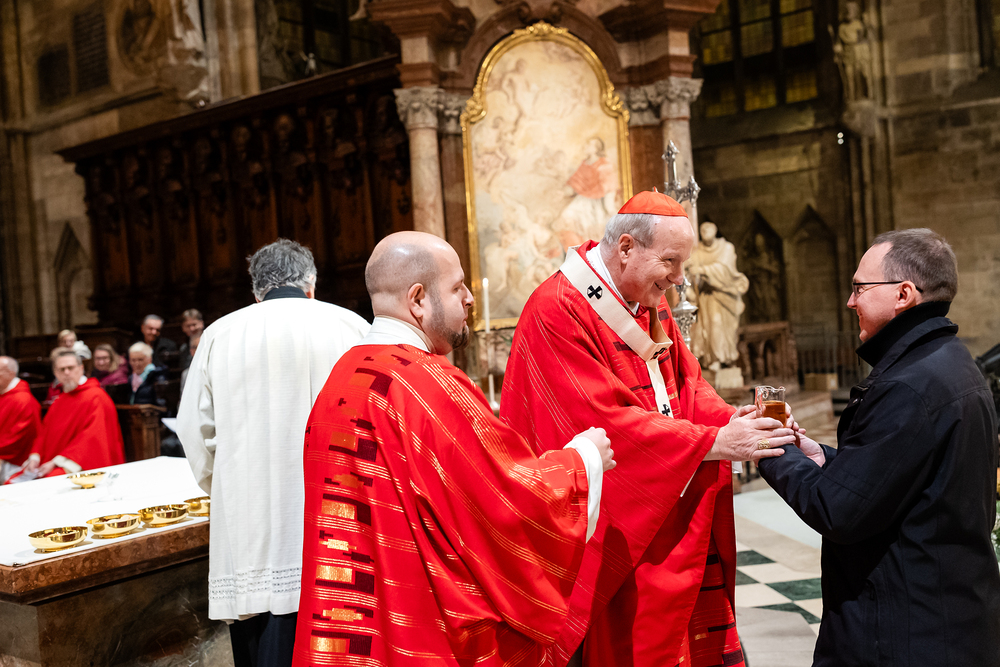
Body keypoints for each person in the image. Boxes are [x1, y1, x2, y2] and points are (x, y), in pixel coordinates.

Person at [501, 190, 797, 667]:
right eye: (670, 262)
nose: (679, 279)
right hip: (615, 516)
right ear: (625, 248)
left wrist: (731, 419)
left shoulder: (647, 301)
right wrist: (715, 441)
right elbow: (602, 422)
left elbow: (687, 385)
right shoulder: (557, 309)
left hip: (665, 493)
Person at [291, 231, 615, 666]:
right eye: (458, 286)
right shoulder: (428, 384)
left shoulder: (341, 377)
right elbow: (507, 502)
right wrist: (583, 459)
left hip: (355, 621)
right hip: (421, 629)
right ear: (418, 300)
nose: (469, 298)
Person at [757, 229, 1000, 667]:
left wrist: (770, 445)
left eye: (860, 288)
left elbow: (836, 510)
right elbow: (903, 476)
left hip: (902, 633)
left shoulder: (908, 385)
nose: (850, 302)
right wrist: (824, 458)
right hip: (949, 619)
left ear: (903, 294)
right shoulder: (950, 361)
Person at [177, 239, 371, 667]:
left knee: (262, 639)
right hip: (337, 511)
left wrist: (226, 486)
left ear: (256, 291)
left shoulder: (220, 334)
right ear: (312, 285)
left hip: (252, 518)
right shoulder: (351, 326)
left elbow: (194, 430)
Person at [18, 348, 125, 480]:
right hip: (57, 460)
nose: (66, 373)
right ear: (55, 373)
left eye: (70, 368)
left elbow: (92, 439)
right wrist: (35, 457)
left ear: (81, 368)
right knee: (13, 482)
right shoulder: (60, 400)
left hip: (81, 463)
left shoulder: (96, 397)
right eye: (62, 369)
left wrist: (56, 462)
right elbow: (44, 433)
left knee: (48, 482)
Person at [686, 221, 749, 371]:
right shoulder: (697, 251)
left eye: (708, 229)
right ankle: (714, 359)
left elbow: (724, 271)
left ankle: (725, 358)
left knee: (720, 326)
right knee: (709, 327)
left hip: (724, 296)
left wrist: (703, 270)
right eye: (703, 230)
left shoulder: (726, 248)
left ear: (715, 231)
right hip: (706, 297)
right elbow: (688, 269)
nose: (705, 232)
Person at [0, 356, 41, 483]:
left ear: (11, 373)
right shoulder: (5, 394)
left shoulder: (23, 400)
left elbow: (16, 438)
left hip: (14, 463)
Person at [126, 342, 168, 406]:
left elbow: (161, 403)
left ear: (149, 359)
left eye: (140, 360)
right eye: (133, 360)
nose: (137, 364)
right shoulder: (131, 378)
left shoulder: (157, 376)